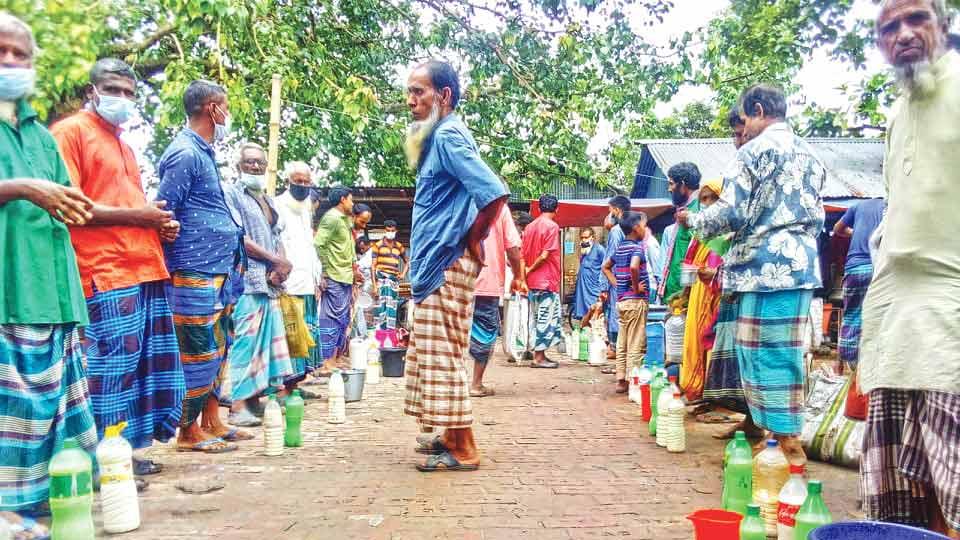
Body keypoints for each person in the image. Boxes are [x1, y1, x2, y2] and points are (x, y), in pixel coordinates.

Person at [50, 58, 184, 479]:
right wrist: (141, 217)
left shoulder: (124, 143)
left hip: (143, 265)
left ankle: (121, 452)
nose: (122, 99)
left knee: (141, 372)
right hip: (103, 269)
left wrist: (159, 225)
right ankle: (95, 463)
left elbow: (130, 208)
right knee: (108, 370)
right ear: (93, 90)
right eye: (114, 90)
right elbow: (70, 205)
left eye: (130, 93)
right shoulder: (71, 133)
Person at [679, 83, 825, 465]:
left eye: (743, 119)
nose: (742, 129)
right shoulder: (810, 154)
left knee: (761, 354)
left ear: (758, 110)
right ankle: (781, 436)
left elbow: (732, 212)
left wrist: (693, 221)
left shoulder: (754, 151)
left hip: (765, 267)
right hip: (800, 265)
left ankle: (783, 445)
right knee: (787, 353)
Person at [859, 1, 960, 535]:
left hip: (950, 314)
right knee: (907, 491)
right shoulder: (900, 109)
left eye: (915, 18)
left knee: (955, 478)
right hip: (898, 321)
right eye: (888, 28)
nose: (902, 34)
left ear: (943, 24)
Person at [0, 13, 98, 512]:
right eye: (2, 52)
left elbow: (69, 199)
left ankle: (41, 506)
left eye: (21, 54)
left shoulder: (40, 133)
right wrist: (22, 189)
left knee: (50, 410)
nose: (11, 63)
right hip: (8, 289)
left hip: (53, 290)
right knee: (10, 409)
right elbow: (38, 193)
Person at [403, 60, 509, 472]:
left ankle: (464, 448)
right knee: (434, 351)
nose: (411, 101)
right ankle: (450, 434)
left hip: (447, 261)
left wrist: (474, 238)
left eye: (419, 92)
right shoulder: (438, 138)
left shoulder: (447, 136)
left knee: (443, 353)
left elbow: (494, 194)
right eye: (410, 93)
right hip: (439, 263)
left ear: (443, 96)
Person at [157, 79, 245, 453]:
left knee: (218, 348)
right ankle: (187, 431)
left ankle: (212, 421)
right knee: (197, 351)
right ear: (213, 109)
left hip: (218, 270)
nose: (228, 115)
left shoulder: (204, 153)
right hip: (193, 268)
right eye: (226, 107)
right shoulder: (185, 154)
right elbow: (164, 211)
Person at [223, 143, 294, 427]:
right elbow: (238, 237)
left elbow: (276, 236)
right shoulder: (232, 194)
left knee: (264, 344)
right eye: (249, 162)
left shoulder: (266, 199)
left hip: (268, 283)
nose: (255, 167)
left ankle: (254, 399)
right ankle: (237, 405)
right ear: (239, 164)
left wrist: (282, 265)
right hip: (247, 279)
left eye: (259, 163)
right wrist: (274, 260)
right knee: (246, 342)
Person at [703, 106, 763, 440]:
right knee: (734, 348)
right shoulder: (741, 171)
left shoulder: (767, 165)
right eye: (734, 135)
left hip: (757, 278)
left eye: (740, 133)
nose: (737, 141)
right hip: (733, 281)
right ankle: (749, 420)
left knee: (756, 352)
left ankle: (768, 429)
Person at [275, 161, 324, 383]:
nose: (303, 186)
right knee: (291, 334)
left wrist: (317, 276)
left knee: (307, 333)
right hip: (289, 283)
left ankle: (299, 383)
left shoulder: (306, 209)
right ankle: (288, 385)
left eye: (306, 182)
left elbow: (309, 246)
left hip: (307, 282)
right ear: (289, 182)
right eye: (298, 181)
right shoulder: (277, 206)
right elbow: (276, 243)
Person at [470, 203, 525, 397]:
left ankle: (455, 383)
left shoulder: (457, 199)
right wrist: (518, 276)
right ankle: (475, 384)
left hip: (457, 280)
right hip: (487, 280)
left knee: (456, 332)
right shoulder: (500, 208)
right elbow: (512, 247)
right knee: (485, 331)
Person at [678, 179, 726, 404]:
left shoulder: (727, 231)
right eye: (703, 200)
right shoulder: (700, 234)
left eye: (710, 198)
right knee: (695, 340)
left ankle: (712, 395)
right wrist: (685, 294)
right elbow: (689, 265)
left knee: (712, 341)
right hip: (699, 292)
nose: (705, 204)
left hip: (719, 295)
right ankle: (696, 388)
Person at [833, 198, 885, 367]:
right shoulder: (890, 205)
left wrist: (854, 233)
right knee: (877, 317)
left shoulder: (857, 206)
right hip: (878, 268)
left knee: (851, 316)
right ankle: (871, 366)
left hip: (855, 269)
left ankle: (844, 367)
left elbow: (837, 229)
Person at [601, 212, 649, 393]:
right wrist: (636, 288)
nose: (645, 229)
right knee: (636, 343)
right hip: (636, 302)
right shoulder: (637, 248)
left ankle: (621, 379)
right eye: (644, 225)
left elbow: (605, 267)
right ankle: (633, 381)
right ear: (636, 228)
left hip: (621, 302)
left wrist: (619, 284)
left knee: (622, 343)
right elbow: (634, 266)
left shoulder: (620, 248)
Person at [314, 187, 358, 372]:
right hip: (334, 276)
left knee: (342, 319)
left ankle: (334, 358)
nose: (353, 203)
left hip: (345, 276)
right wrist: (324, 271)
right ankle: (326, 362)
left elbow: (345, 249)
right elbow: (318, 244)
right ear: (342, 199)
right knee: (330, 319)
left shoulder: (344, 220)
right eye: (351, 199)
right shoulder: (331, 218)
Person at [522, 194, 562, 369]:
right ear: (557, 209)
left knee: (537, 318)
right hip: (546, 281)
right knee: (546, 319)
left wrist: (525, 273)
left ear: (539, 208)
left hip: (532, 282)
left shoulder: (529, 227)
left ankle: (540, 354)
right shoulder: (552, 227)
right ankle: (539, 357)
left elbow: (522, 254)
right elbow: (545, 254)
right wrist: (531, 268)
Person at [660, 162, 701, 302]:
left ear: (682, 185)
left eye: (671, 184)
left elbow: (696, 256)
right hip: (674, 294)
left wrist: (686, 295)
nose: (669, 189)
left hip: (684, 297)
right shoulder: (683, 211)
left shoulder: (696, 213)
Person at [598, 195, 631, 363]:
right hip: (630, 281)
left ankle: (616, 348)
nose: (608, 214)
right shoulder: (632, 230)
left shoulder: (616, 231)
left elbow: (609, 260)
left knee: (615, 315)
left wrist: (605, 286)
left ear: (617, 210)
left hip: (617, 280)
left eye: (609, 211)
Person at [371, 219, 408, 336]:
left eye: (392, 230)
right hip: (381, 280)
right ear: (384, 230)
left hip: (393, 281)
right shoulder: (377, 245)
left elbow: (408, 261)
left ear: (395, 231)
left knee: (392, 308)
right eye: (388, 230)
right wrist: (374, 286)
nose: (390, 232)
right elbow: (373, 266)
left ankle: (389, 334)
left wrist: (403, 274)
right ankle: (380, 334)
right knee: (380, 308)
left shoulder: (399, 246)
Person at [572, 228, 605, 321]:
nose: (583, 240)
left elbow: (606, 267)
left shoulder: (599, 249)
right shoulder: (584, 250)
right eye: (582, 238)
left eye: (586, 237)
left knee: (594, 312)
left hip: (594, 288)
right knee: (583, 314)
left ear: (592, 237)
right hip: (583, 288)